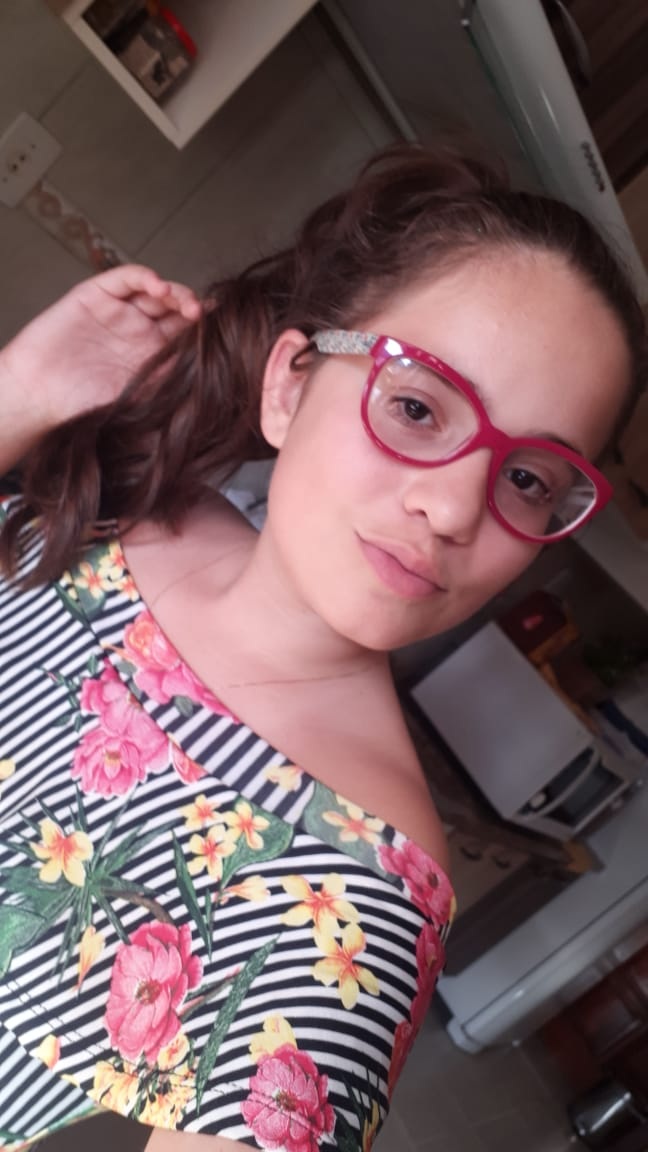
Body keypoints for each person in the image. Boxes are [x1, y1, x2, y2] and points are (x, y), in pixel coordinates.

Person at [0, 144, 645, 1152]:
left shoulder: (364, 894)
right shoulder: (124, 500)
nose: (452, 507)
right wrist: (17, 396)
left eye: (528, 479)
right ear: (291, 387)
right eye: (417, 406)